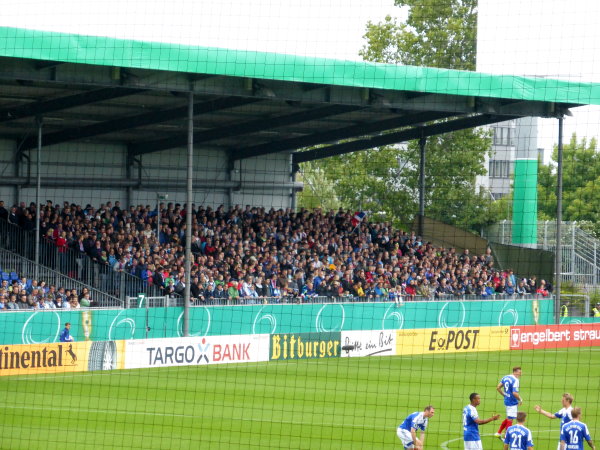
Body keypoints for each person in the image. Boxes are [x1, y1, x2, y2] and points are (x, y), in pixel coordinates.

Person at [495, 366, 523, 439]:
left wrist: (504, 395)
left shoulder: (505, 377)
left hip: (506, 401)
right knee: (510, 420)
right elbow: (514, 393)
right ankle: (507, 437)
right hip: (512, 402)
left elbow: (498, 387)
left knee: (508, 418)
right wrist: (520, 399)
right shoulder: (515, 380)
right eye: (520, 372)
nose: (521, 374)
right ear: (515, 372)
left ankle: (498, 433)